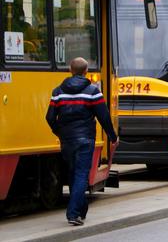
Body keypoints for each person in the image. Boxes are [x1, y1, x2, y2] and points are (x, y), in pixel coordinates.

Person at [45, 57, 118, 226]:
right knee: (81, 175)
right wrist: (113, 137)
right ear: (86, 71)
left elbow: (49, 117)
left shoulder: (58, 92)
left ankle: (81, 209)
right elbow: (104, 117)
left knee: (73, 174)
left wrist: (60, 132)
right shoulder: (92, 91)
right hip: (85, 139)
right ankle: (73, 214)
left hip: (67, 140)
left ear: (70, 70)